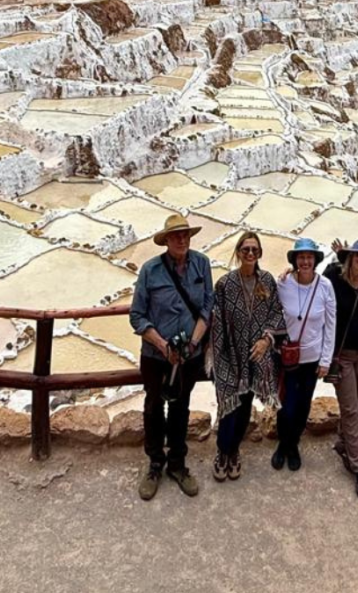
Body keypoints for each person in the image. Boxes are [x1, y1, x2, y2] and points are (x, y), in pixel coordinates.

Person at [128, 213, 213, 500]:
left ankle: (177, 463)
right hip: (155, 354)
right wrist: (164, 346)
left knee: (180, 408)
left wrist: (192, 344)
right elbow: (137, 316)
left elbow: (206, 309)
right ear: (166, 240)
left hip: (190, 355)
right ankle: (155, 463)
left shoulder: (201, 264)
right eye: (176, 235)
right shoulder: (150, 271)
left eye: (186, 234)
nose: (182, 239)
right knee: (153, 407)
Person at [208, 231, 285, 484]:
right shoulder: (225, 284)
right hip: (230, 357)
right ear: (238, 252)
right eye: (246, 249)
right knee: (228, 407)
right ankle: (223, 451)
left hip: (255, 358)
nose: (250, 254)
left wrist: (266, 340)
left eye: (254, 250)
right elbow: (216, 321)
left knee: (244, 409)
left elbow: (276, 314)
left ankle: (234, 451)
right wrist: (217, 356)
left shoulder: (267, 281)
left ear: (260, 253)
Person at [273, 237, 335, 474]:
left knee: (302, 405)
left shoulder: (326, 286)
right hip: (287, 358)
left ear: (316, 260)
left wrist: (326, 360)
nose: (306, 261)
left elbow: (331, 325)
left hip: (312, 358)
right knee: (285, 406)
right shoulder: (284, 282)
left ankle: (292, 445)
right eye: (301, 257)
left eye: (310, 257)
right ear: (295, 260)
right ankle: (283, 443)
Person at [323, 239, 358, 498]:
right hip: (342, 355)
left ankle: (344, 443)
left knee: (355, 402)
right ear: (350, 256)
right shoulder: (333, 276)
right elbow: (313, 284)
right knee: (351, 409)